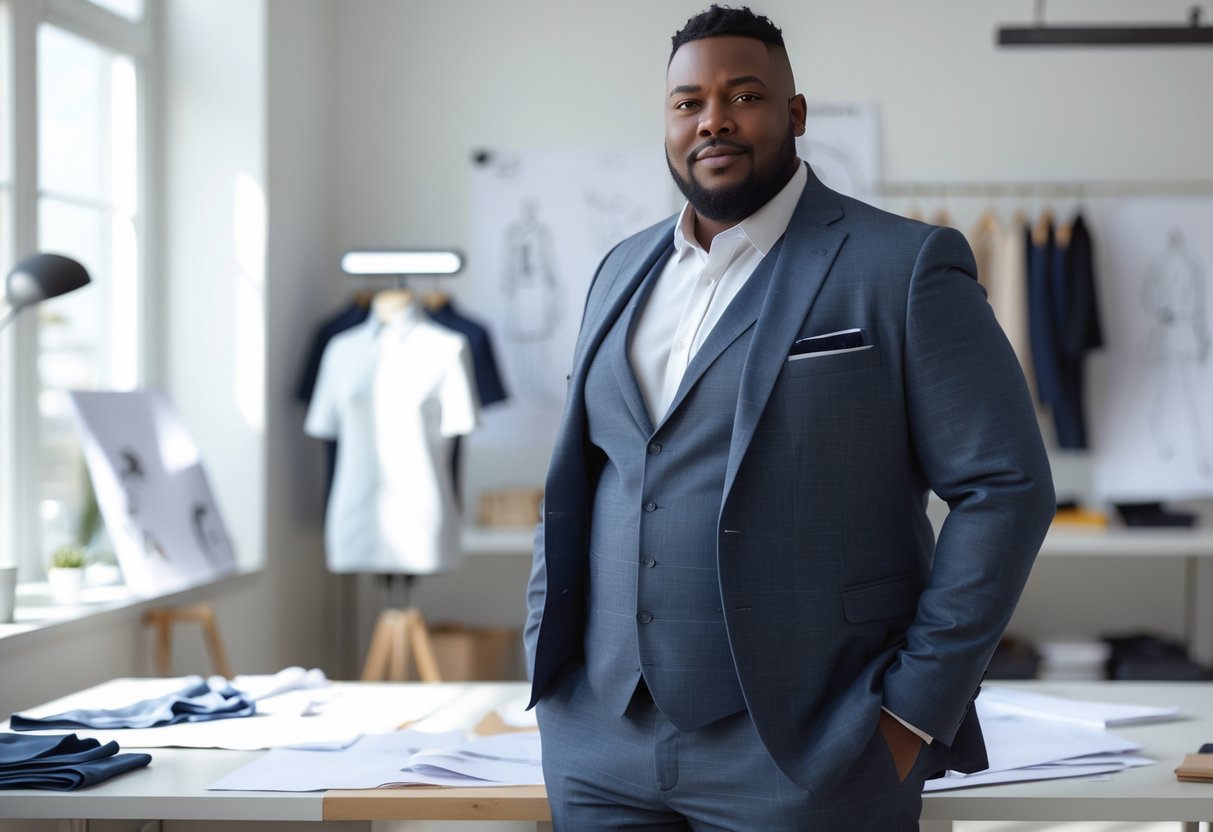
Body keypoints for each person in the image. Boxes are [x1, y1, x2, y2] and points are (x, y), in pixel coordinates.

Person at [524, 6, 1056, 830]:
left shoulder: (902, 266)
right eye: (687, 102)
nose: (712, 120)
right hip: (599, 743)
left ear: (795, 114)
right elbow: (583, 480)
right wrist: (548, 665)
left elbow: (1006, 488)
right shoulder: (618, 270)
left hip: (812, 749)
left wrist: (914, 712)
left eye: (743, 96)